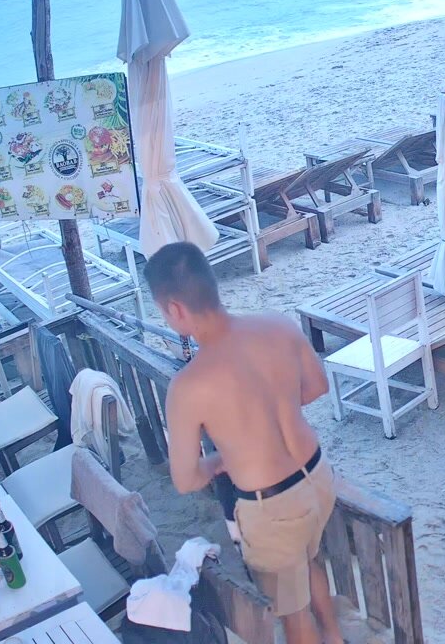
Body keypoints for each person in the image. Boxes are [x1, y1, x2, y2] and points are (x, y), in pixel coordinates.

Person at [143, 242, 343, 644]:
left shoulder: (188, 386)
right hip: (318, 476)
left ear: (175, 310)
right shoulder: (277, 325)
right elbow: (317, 386)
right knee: (309, 562)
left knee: (293, 613)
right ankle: (336, 636)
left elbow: (185, 479)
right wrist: (274, 411)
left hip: (272, 509)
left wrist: (221, 459)